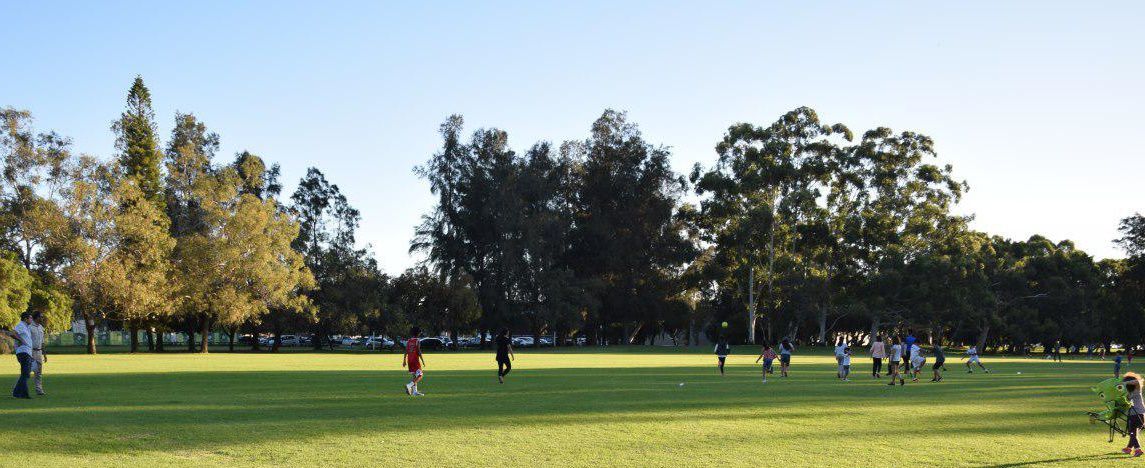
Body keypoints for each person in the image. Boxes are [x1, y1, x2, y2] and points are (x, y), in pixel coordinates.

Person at [4, 312, 34, 399]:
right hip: (23, 352)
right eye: (30, 318)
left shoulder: (26, 327)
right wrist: (21, 340)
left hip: (26, 352)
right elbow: (12, 333)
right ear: (25, 319)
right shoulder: (21, 325)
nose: (31, 320)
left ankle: (23, 394)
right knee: (26, 374)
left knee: (25, 374)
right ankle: (18, 393)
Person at [1124, 372, 1145, 457]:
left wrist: (1124, 383)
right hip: (1136, 415)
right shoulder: (1129, 393)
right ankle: (1129, 448)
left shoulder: (1137, 389)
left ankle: (1138, 449)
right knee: (1133, 433)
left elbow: (1138, 381)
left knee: (1132, 433)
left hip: (1137, 415)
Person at [401, 327, 426, 396]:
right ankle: (409, 385)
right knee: (420, 375)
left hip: (409, 360)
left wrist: (404, 360)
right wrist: (422, 360)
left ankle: (415, 392)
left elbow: (406, 351)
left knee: (414, 376)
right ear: (418, 333)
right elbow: (419, 351)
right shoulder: (417, 341)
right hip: (415, 360)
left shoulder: (409, 341)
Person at [30, 312, 46, 395]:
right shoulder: (29, 327)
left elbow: (42, 342)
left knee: (39, 372)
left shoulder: (41, 327)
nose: (42, 318)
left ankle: (39, 390)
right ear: (36, 317)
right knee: (26, 371)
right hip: (31, 351)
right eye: (41, 317)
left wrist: (45, 354)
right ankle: (18, 389)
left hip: (39, 352)